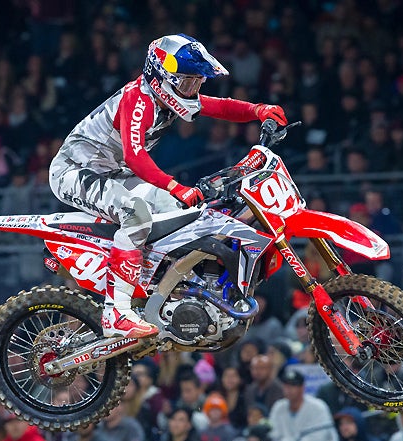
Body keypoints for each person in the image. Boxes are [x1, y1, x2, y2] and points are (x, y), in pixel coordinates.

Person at [48, 33, 287, 339]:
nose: (194, 90)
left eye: (197, 83)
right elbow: (136, 157)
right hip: (75, 170)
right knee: (135, 215)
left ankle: (166, 294)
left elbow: (220, 107)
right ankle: (116, 312)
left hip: (110, 171)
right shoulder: (138, 100)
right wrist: (176, 185)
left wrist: (258, 110)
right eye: (188, 82)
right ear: (162, 78)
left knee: (180, 214)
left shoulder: (168, 96)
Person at [269, 368, 338, 441]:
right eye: (286, 385)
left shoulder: (318, 407)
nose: (288, 389)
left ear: (302, 388)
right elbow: (273, 436)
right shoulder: (278, 407)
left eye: (293, 385)